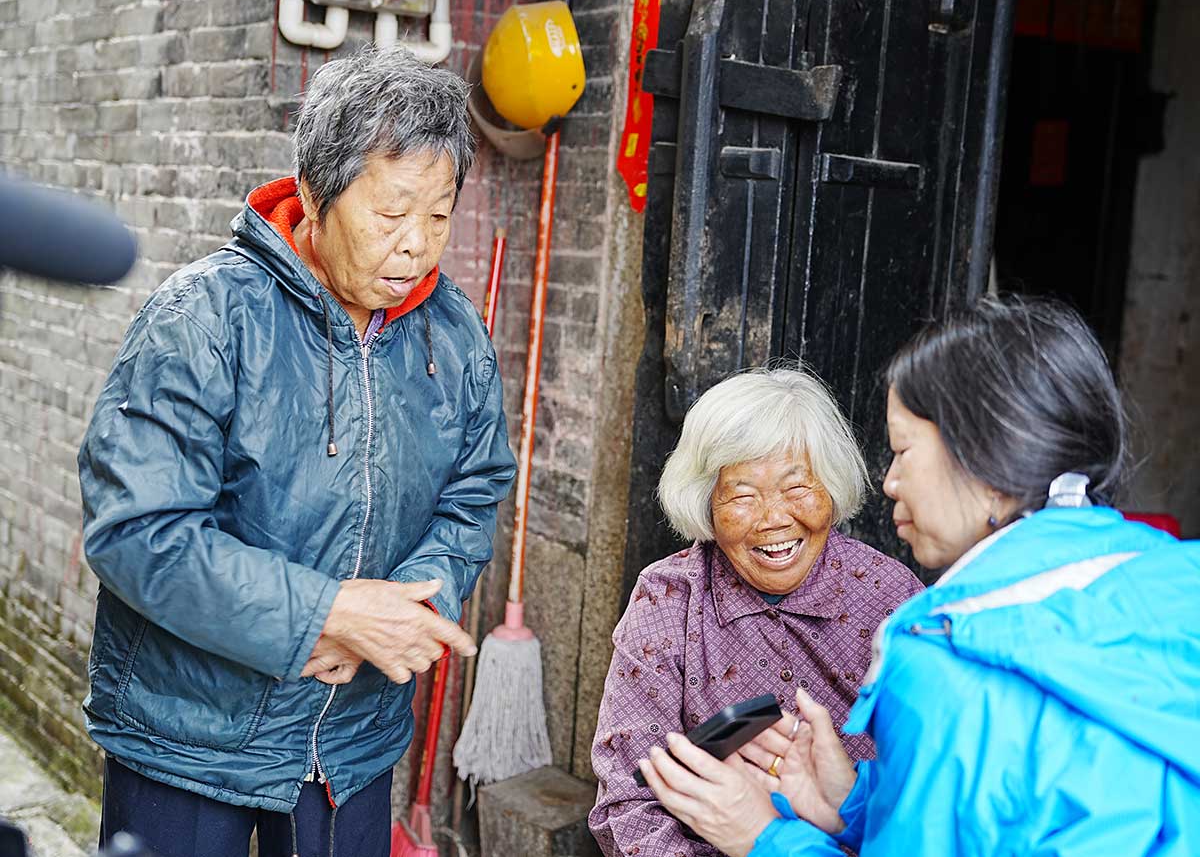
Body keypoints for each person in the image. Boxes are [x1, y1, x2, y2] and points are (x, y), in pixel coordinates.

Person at [77, 46, 517, 857]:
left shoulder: (455, 336)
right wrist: (326, 614)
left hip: (351, 747)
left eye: (440, 215)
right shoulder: (205, 317)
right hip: (190, 739)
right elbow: (135, 532)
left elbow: (475, 489)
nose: (418, 245)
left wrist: (419, 601)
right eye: (391, 214)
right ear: (314, 195)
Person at [636, 296, 1200, 856]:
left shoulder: (942, 650)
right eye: (742, 494)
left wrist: (762, 839)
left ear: (983, 456)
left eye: (904, 450)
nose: (891, 482)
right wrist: (855, 800)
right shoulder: (1177, 578)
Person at [589, 366, 923, 857]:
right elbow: (629, 803)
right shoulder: (668, 600)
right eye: (742, 495)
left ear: (830, 487)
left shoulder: (889, 597)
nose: (773, 519)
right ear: (706, 503)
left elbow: (927, 796)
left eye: (797, 488)